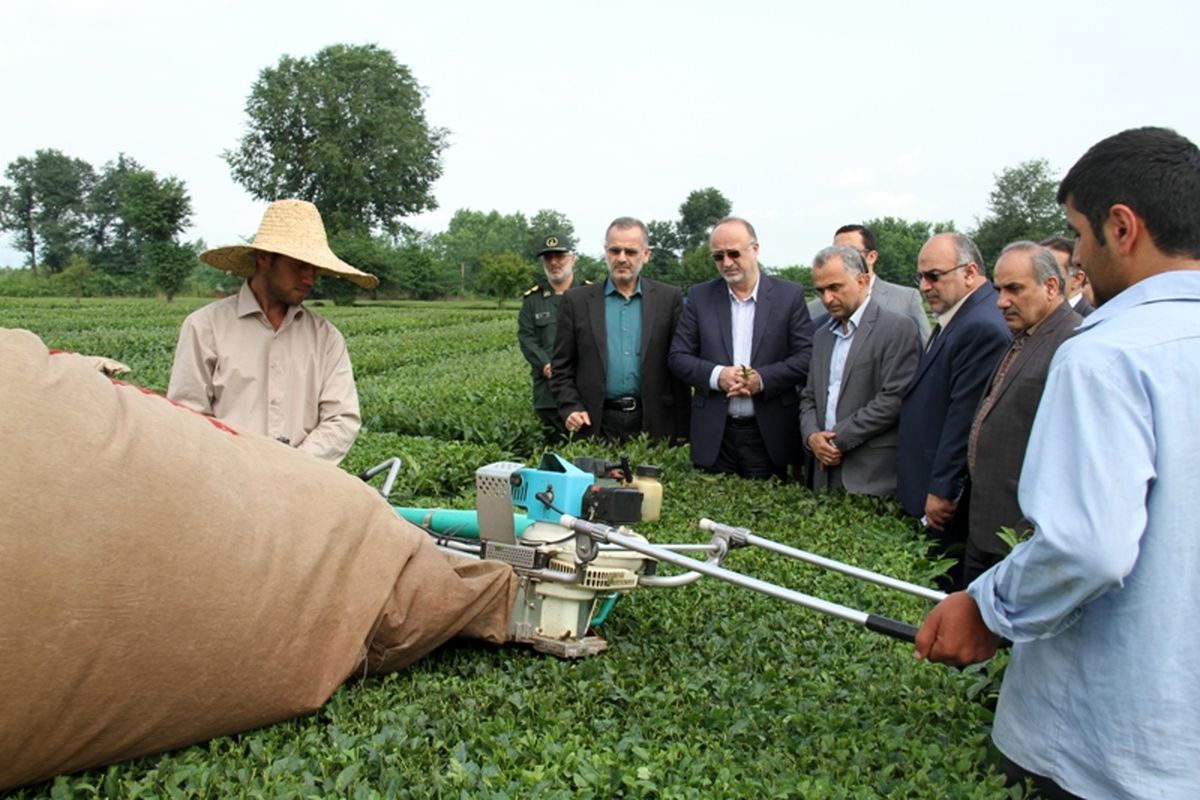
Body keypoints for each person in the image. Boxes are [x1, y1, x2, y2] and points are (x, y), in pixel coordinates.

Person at [915, 127, 1200, 799]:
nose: (1077, 262)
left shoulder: (1108, 354)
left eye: (1078, 234)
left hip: (1108, 745)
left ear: (1121, 227)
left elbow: (1088, 548)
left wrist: (987, 609)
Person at [167, 199, 376, 465]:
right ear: (264, 258)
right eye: (299, 265)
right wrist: (242, 468)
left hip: (302, 484)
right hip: (227, 485)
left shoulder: (326, 338)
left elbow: (341, 419)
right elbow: (187, 418)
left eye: (314, 269)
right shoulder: (205, 327)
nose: (309, 278)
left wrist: (292, 467)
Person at [896, 233, 1010, 589]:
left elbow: (965, 418)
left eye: (934, 276)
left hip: (947, 500)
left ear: (970, 272)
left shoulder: (980, 324)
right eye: (920, 278)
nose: (925, 286)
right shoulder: (960, 315)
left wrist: (943, 489)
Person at [962, 242, 1080, 583]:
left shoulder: (1072, 343)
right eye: (999, 289)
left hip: (1022, 537)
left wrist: (1029, 532)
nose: (1001, 301)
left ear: (1052, 287)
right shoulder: (1025, 335)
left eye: (1015, 289)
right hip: (987, 526)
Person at [667, 217, 812, 479]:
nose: (727, 263)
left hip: (769, 433)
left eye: (734, 253)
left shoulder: (788, 296)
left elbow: (806, 357)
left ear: (754, 249)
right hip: (715, 435)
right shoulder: (700, 297)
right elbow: (678, 357)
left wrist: (762, 380)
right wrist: (717, 376)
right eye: (718, 256)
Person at [550, 217, 689, 443]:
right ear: (606, 252)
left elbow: (679, 367)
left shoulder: (668, 298)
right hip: (595, 423)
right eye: (615, 250)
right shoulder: (577, 301)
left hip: (654, 422)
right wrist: (570, 407)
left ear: (646, 255)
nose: (622, 258)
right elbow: (561, 366)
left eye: (630, 252)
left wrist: (683, 428)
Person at [799, 246, 921, 495]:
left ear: (863, 281)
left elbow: (892, 400)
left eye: (835, 288)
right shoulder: (822, 335)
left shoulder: (897, 328)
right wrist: (812, 437)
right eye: (820, 291)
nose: (827, 299)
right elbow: (809, 396)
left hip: (871, 477)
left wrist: (835, 439)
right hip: (823, 473)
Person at [807, 224, 933, 345]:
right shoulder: (814, 310)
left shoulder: (906, 299)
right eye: (835, 252)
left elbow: (926, 348)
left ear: (872, 256)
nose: (842, 257)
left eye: (851, 252)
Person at [518, 232, 576, 442]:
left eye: (559, 256)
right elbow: (526, 337)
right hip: (547, 395)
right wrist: (545, 364)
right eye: (548, 257)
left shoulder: (590, 293)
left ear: (572, 258)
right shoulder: (533, 300)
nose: (554, 262)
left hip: (583, 392)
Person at [1040, 235, 1094, 316]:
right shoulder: (1025, 321)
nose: (1036, 277)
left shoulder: (1092, 322)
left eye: (1048, 270)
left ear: (1077, 279)